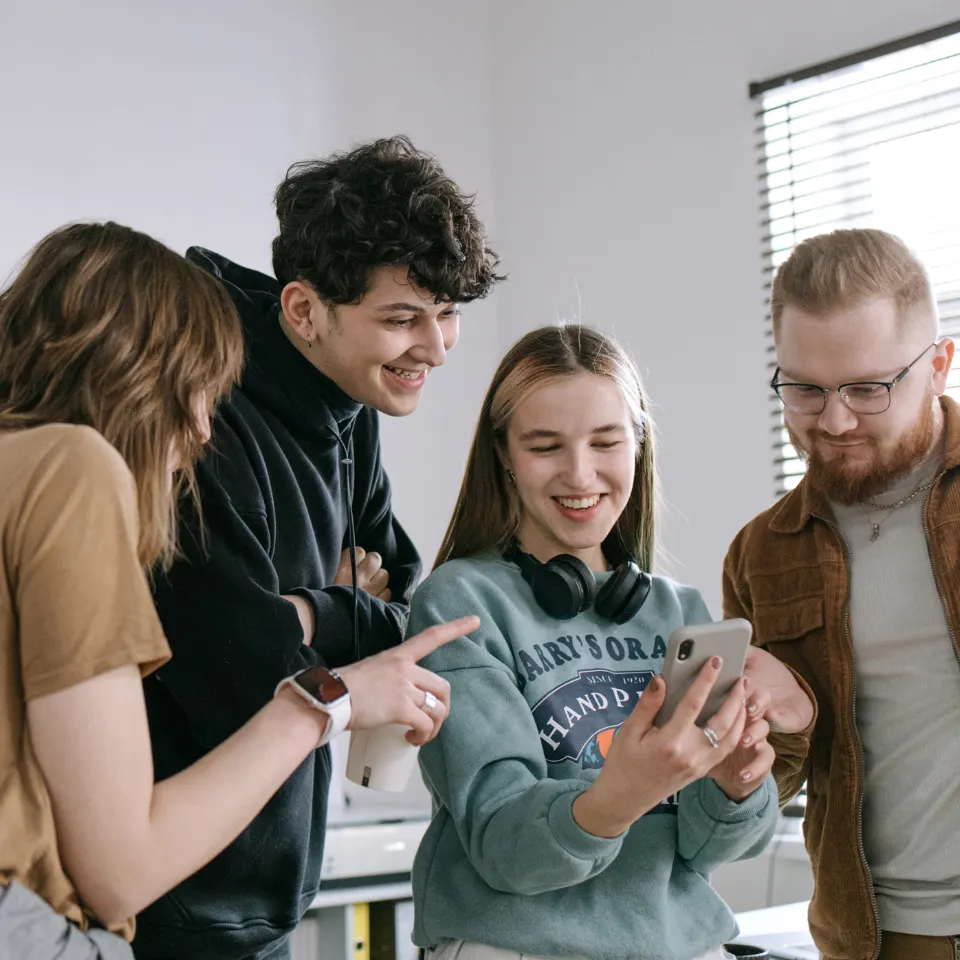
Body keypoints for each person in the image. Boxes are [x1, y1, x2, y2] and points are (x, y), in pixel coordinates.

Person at [0, 222, 474, 960]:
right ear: (123, 371)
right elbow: (122, 871)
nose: (197, 432)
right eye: (195, 391)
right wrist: (335, 699)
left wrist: (302, 619)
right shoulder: (71, 467)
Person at [134, 136, 504, 960]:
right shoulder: (203, 416)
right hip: (168, 901)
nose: (437, 348)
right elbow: (242, 676)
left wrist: (307, 612)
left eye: (446, 315)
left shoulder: (352, 405)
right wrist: (338, 615)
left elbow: (408, 611)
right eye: (403, 318)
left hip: (268, 886)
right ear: (304, 310)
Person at [405, 324, 794, 960]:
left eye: (606, 442)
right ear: (503, 453)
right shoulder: (461, 604)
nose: (580, 473)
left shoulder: (680, 612)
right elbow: (504, 849)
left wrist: (735, 784)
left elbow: (704, 852)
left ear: (638, 445)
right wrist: (620, 795)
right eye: (545, 446)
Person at [723, 228, 960, 960]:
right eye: (806, 390)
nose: (834, 421)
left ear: (939, 364)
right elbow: (775, 771)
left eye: (868, 388)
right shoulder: (763, 553)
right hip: (880, 937)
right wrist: (753, 749)